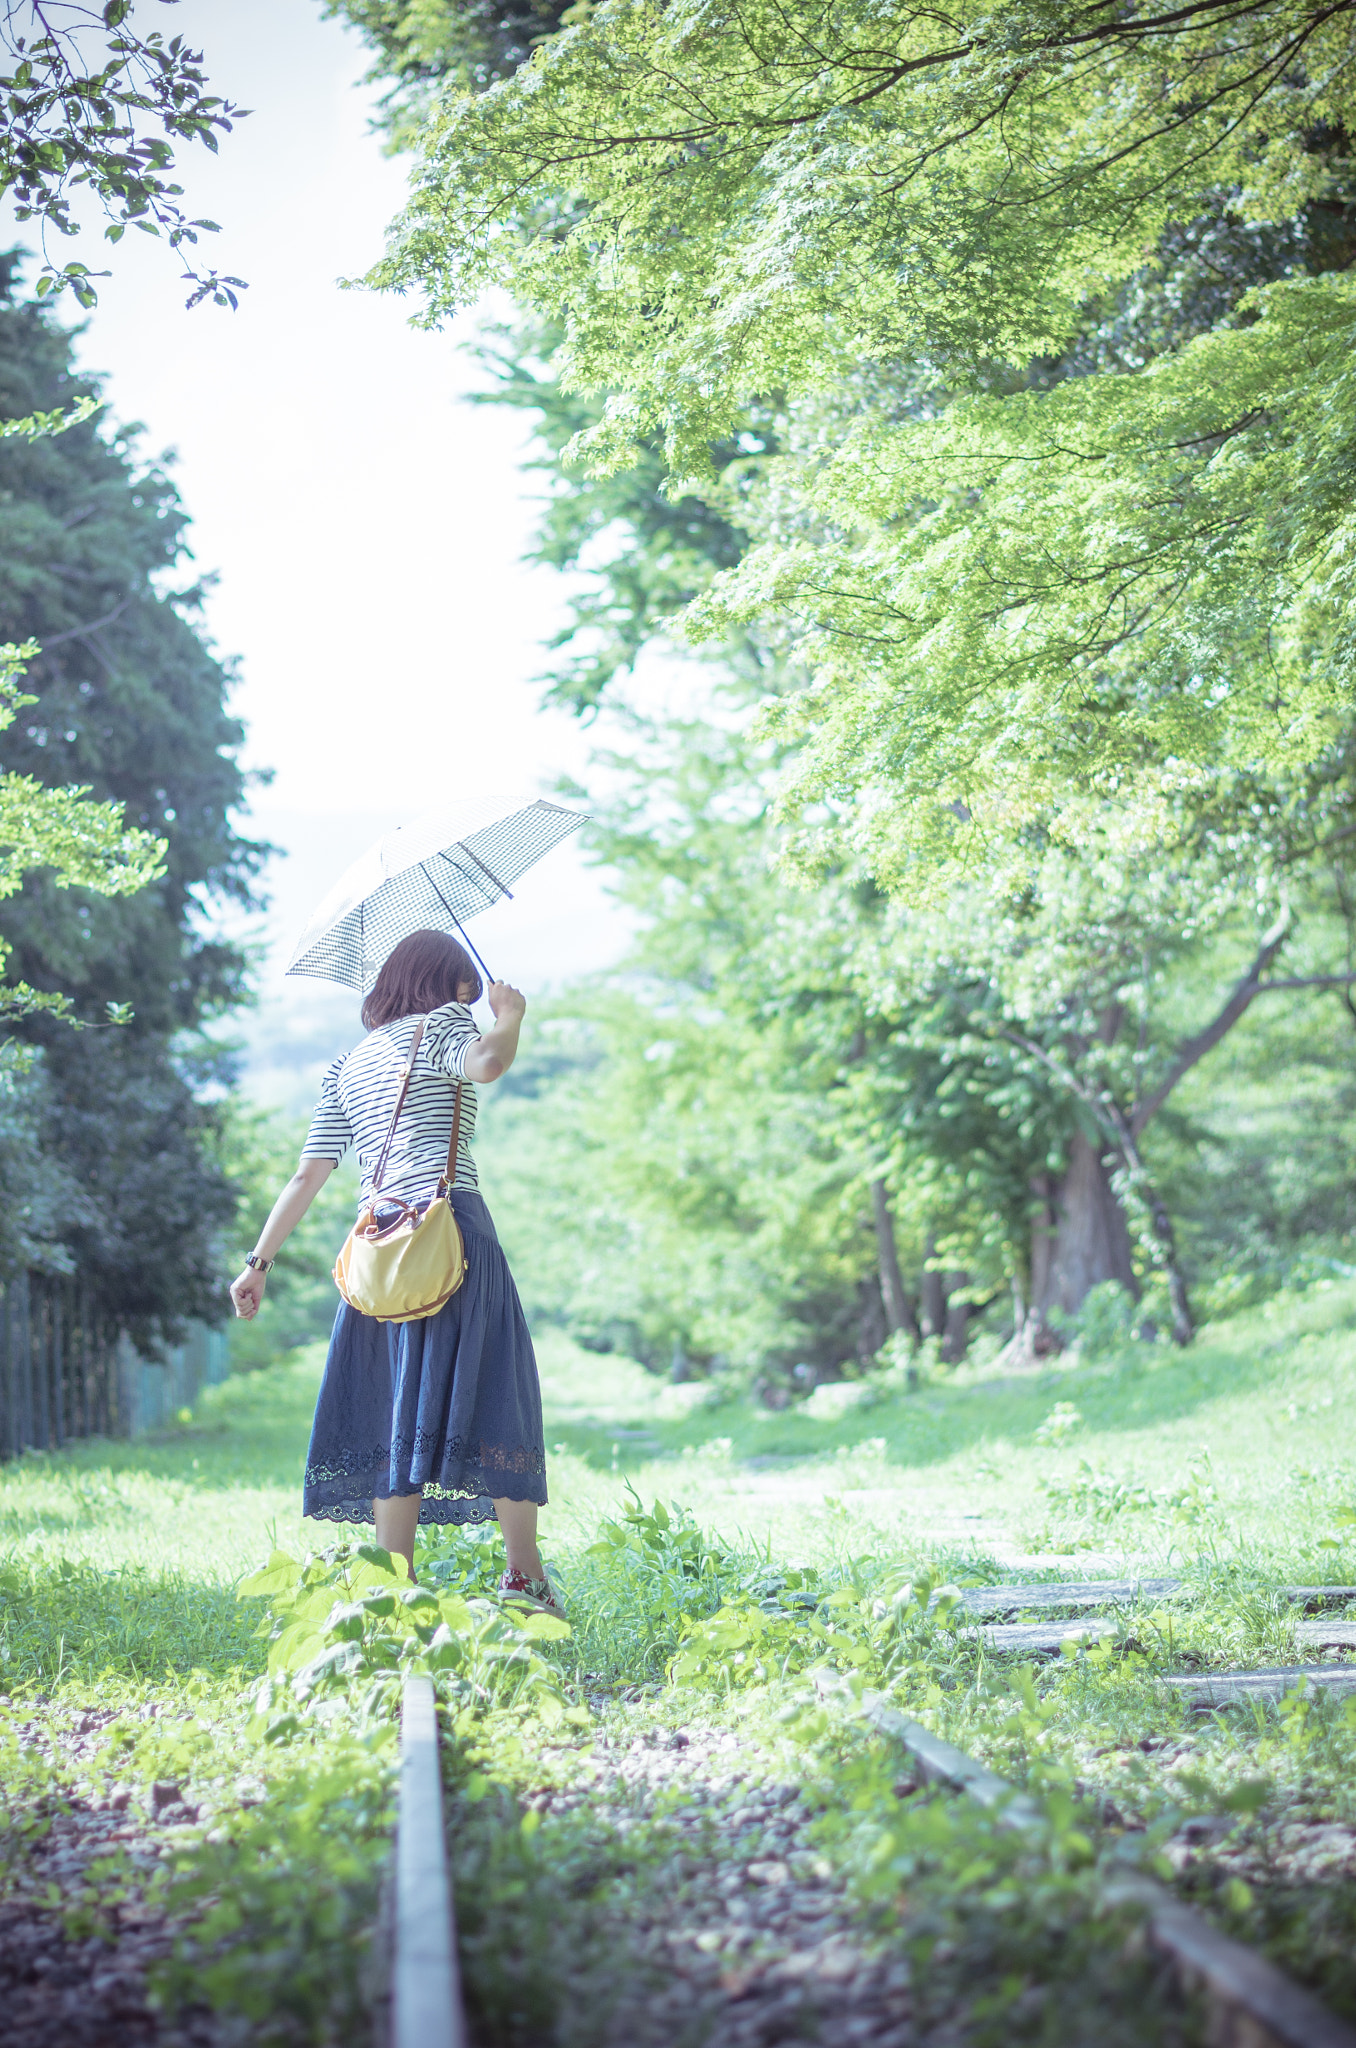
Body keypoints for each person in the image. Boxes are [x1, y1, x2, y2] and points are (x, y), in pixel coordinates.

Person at [228, 927, 556, 1609]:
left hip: (378, 1248)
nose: (471, 1000)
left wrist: (257, 1263)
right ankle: (524, 1578)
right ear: (450, 984)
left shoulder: (348, 1062)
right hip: (450, 1231)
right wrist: (511, 1015)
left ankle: (394, 1587)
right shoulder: (442, 1024)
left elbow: (307, 1174)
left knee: (393, 1406)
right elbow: (488, 1064)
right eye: (466, 987)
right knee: (501, 1391)